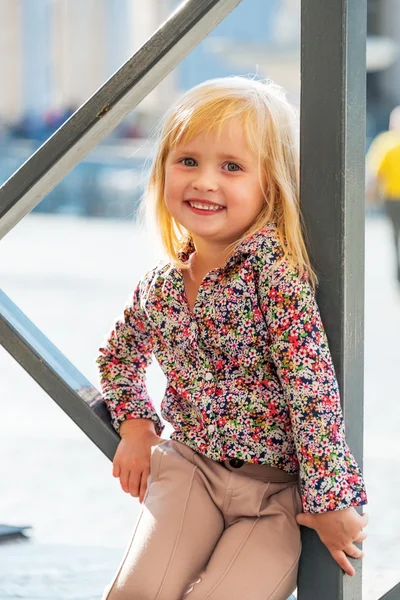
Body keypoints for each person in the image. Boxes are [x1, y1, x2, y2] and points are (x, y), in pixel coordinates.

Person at [96, 76, 368, 600]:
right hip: (189, 471)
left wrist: (330, 497)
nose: (205, 182)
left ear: (272, 183)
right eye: (188, 161)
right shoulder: (162, 284)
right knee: (138, 594)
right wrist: (135, 426)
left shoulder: (273, 272)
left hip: (276, 494)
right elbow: (119, 355)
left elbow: (310, 384)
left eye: (232, 167)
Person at [366, 106, 400, 283]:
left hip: (393, 199)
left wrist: (371, 195)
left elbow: (376, 173)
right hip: (392, 197)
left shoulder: (385, 143)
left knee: (395, 234)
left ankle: (398, 273)